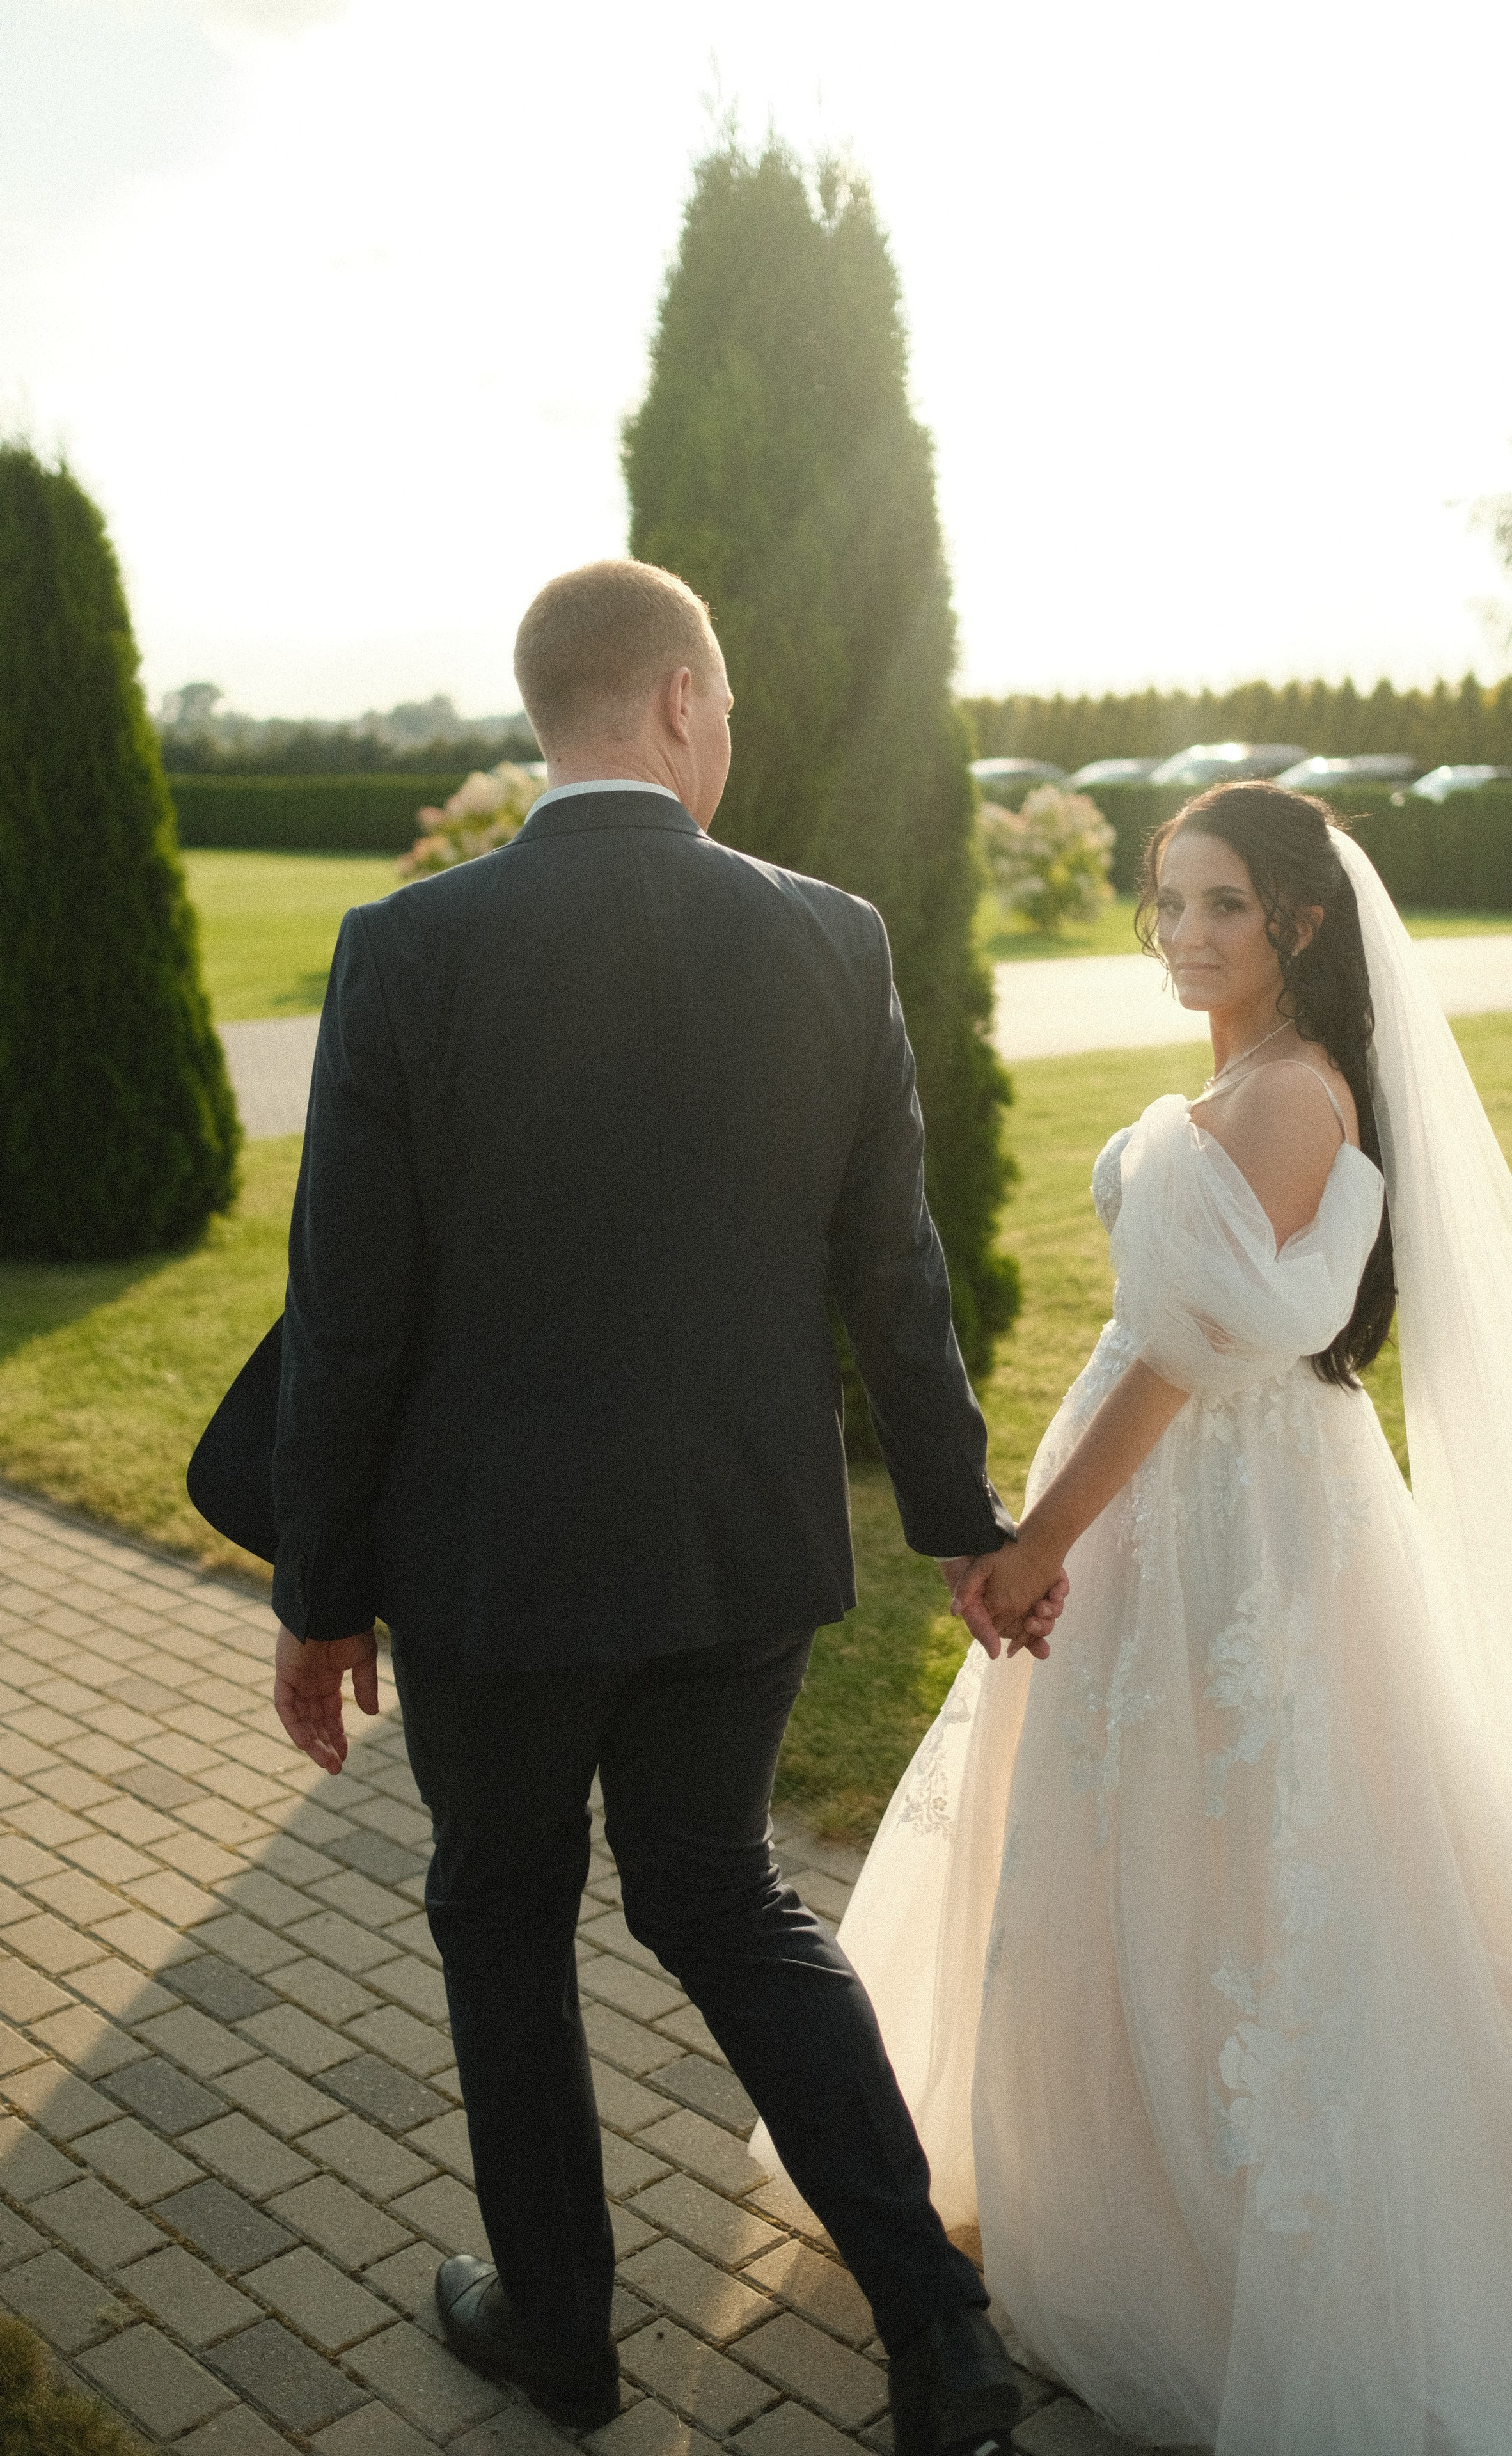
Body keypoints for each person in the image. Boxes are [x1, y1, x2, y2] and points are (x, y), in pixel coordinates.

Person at [267, 558, 1064, 2443]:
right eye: (728, 714)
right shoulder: (834, 939)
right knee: (719, 1895)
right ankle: (940, 2333)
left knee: (503, 1913)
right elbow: (896, 1271)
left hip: (494, 1567)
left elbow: (347, 1310)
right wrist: (962, 1518)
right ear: (685, 702)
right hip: (736, 1545)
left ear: (551, 712)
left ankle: (559, 2329)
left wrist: (318, 1594)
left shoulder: (408, 947)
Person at [828, 783, 1512, 2453]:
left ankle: (1226, 2238)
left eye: (1224, 906)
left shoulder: (1288, 1095)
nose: (1184, 933)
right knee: (1165, 1840)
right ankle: (1110, 2168)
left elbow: (1184, 1358)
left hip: (1234, 1529)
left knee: (1255, 1850)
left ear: (1301, 924)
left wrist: (1038, 1542)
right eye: (1169, 899)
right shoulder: (1253, 1075)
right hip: (1194, 1503)